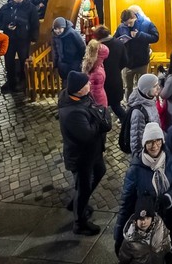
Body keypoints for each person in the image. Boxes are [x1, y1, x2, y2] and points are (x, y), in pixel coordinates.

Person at [58, 69, 111, 235]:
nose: (89, 84)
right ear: (79, 89)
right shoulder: (73, 112)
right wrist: (100, 120)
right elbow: (87, 135)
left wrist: (98, 116)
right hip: (82, 157)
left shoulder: (81, 97)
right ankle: (79, 223)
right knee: (84, 186)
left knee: (100, 171)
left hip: (92, 153)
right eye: (86, 83)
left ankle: (76, 201)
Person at [116, 123, 172, 251]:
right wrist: (118, 236)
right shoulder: (135, 170)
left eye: (157, 141)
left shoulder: (170, 159)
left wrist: (170, 196)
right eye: (150, 142)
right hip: (148, 224)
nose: (154, 146)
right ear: (144, 144)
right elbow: (126, 203)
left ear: (162, 141)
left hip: (169, 217)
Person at [0, 0, 38, 94]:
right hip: (9, 39)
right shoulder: (6, 8)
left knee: (24, 60)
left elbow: (35, 23)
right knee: (9, 61)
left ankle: (24, 81)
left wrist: (34, 38)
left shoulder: (30, 8)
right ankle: (11, 82)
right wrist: (6, 26)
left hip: (23, 39)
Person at [119, 7, 161, 98]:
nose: (129, 26)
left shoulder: (146, 24)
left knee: (143, 87)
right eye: (126, 24)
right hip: (127, 62)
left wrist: (139, 35)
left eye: (130, 23)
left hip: (142, 62)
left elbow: (155, 37)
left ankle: (143, 104)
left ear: (134, 17)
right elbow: (116, 39)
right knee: (127, 87)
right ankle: (129, 105)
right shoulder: (122, 26)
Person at [117, 194, 172, 264]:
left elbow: (165, 238)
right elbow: (124, 258)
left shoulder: (160, 226)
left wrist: (168, 252)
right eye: (141, 219)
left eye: (147, 218)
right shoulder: (129, 240)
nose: (144, 222)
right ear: (135, 220)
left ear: (152, 218)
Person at [50, 17, 85, 85]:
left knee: (75, 84)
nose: (57, 31)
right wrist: (56, 65)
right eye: (55, 29)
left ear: (64, 27)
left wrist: (82, 62)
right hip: (63, 66)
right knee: (65, 85)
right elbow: (56, 51)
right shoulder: (55, 37)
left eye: (60, 28)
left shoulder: (72, 33)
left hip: (74, 64)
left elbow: (82, 47)